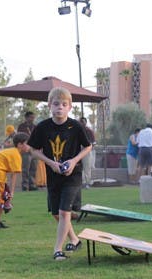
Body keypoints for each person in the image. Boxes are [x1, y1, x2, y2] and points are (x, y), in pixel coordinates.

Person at [27, 87, 92, 260]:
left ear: (70, 107)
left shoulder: (76, 126)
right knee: (57, 213)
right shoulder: (42, 127)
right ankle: (74, 239)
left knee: (64, 213)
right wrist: (50, 163)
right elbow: (33, 150)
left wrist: (73, 161)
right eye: (56, 104)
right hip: (53, 175)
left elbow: (88, 146)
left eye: (64, 104)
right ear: (49, 105)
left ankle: (57, 250)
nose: (60, 107)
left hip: (73, 175)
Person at [0, 132, 31, 228]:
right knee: (3, 198)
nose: (29, 146)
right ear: (20, 144)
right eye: (27, 143)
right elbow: (14, 175)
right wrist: (12, 192)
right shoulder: (16, 155)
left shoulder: (13, 151)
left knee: (1, 197)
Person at [17, 111, 39, 191]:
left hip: (34, 150)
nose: (32, 119)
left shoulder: (35, 126)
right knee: (25, 168)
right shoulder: (21, 127)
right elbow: (19, 138)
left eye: (33, 117)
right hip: (25, 150)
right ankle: (25, 186)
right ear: (26, 118)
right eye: (31, 117)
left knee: (34, 168)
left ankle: (32, 185)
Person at [79, 117, 96, 189]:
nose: (82, 123)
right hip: (78, 151)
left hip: (86, 151)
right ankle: (81, 182)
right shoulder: (77, 130)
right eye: (81, 122)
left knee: (87, 167)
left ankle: (87, 183)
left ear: (85, 122)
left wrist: (88, 147)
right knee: (79, 167)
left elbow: (94, 142)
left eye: (83, 122)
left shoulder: (89, 131)